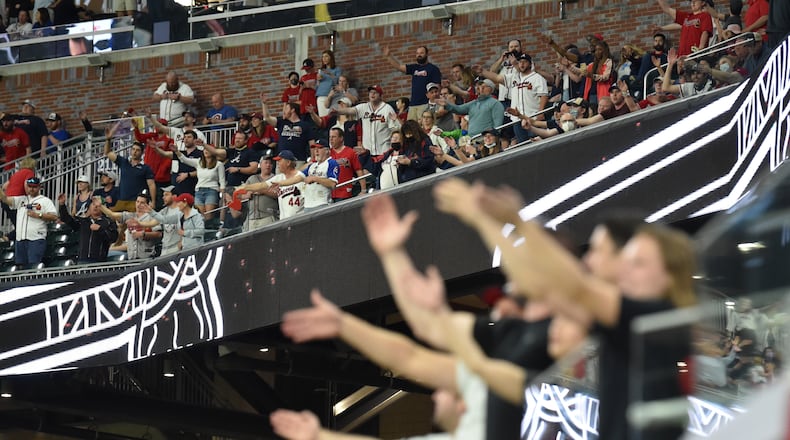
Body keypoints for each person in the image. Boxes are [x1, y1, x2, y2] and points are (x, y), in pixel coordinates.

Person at [432, 178, 697, 440]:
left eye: (638, 263)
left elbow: (570, 287)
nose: (626, 269)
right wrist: (490, 222)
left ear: (671, 274)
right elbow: (537, 285)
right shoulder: (623, 322)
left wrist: (517, 223)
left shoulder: (659, 316)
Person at [261, 139, 338, 213]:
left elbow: (332, 183)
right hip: (307, 206)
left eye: (320, 148)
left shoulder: (331, 163)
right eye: (315, 148)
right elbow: (297, 178)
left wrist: (315, 178)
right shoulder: (312, 166)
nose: (316, 151)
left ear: (327, 150)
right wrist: (280, 183)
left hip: (322, 203)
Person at [0, 177, 57, 266]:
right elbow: (5, 199)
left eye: (34, 187)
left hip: (36, 238)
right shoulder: (21, 199)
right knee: (20, 267)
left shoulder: (45, 201)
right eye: (29, 186)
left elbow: (54, 216)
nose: (31, 189)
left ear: (39, 187)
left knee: (33, 266)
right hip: (20, 239)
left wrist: (38, 215)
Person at [104, 124, 156, 213]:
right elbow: (107, 152)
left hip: (135, 203)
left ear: (142, 153)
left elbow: (151, 185)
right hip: (121, 201)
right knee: (118, 225)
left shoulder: (145, 168)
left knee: (134, 225)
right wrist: (108, 140)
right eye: (133, 149)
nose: (134, 152)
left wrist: (153, 202)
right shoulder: (124, 162)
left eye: (137, 150)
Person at [238, 150, 305, 220]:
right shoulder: (279, 177)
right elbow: (262, 185)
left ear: (288, 162)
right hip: (284, 221)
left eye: (280, 161)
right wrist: (243, 188)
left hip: (299, 219)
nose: (277, 163)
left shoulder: (300, 177)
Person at [382, 45, 442, 121]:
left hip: (425, 104)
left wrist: (434, 102)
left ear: (427, 54)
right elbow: (399, 67)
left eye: (421, 53)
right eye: (417, 53)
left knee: (423, 126)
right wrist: (388, 56)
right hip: (413, 104)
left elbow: (437, 87)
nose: (419, 55)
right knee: (410, 128)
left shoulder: (433, 69)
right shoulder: (414, 67)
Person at [99, 192, 162, 260]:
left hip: (146, 257)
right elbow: (112, 214)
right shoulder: (130, 216)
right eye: (137, 201)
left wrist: (143, 234)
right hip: (131, 258)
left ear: (147, 204)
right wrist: (100, 205)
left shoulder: (152, 217)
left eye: (142, 202)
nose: (139, 204)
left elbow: (159, 234)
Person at [171, 143, 226, 220]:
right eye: (205, 149)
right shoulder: (199, 162)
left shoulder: (219, 164)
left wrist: (222, 194)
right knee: (200, 216)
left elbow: (222, 180)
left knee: (209, 216)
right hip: (199, 191)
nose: (206, 151)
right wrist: (177, 151)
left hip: (212, 190)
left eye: (208, 149)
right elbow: (184, 159)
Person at [57, 195, 118, 263]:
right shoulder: (82, 221)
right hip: (82, 260)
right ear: (89, 207)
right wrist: (62, 205)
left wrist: (100, 229)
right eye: (93, 204)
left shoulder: (109, 222)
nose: (95, 207)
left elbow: (113, 238)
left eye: (98, 205)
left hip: (100, 261)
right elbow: (67, 219)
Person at [438, 79, 504, 137]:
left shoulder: (495, 103)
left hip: (485, 139)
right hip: (472, 139)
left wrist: (493, 137)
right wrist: (446, 104)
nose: (480, 88)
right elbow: (459, 109)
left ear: (490, 89)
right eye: (479, 86)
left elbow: (498, 125)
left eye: (483, 86)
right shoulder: (474, 103)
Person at [139, 193, 204, 252]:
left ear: (185, 203)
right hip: (185, 249)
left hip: (196, 248)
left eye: (179, 202)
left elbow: (201, 231)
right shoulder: (179, 215)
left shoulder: (196, 215)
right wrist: (151, 212)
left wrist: (185, 233)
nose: (177, 204)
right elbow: (165, 220)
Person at [240, 155, 278, 230]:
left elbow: (278, 194)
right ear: (260, 165)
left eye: (270, 163)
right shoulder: (252, 179)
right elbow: (239, 195)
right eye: (266, 163)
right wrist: (246, 195)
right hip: (251, 218)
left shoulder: (276, 178)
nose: (268, 165)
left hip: (268, 216)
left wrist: (262, 190)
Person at [328, 127, 366, 202]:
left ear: (341, 138)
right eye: (330, 137)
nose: (331, 139)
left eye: (334, 137)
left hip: (345, 193)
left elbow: (359, 171)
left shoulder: (350, 152)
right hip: (329, 194)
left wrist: (363, 190)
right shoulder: (327, 153)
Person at [315, 50, 342, 117]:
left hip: (332, 95)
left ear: (331, 58)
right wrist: (318, 80)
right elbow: (317, 86)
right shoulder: (321, 70)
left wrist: (329, 73)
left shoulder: (337, 69)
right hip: (321, 95)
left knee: (332, 116)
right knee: (323, 117)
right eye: (323, 57)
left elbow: (338, 81)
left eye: (326, 56)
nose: (324, 58)